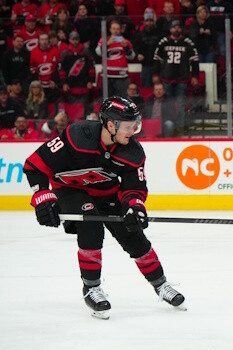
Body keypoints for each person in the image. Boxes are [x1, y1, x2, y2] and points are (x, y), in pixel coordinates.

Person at [22, 96, 186, 320]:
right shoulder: (76, 137)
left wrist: (134, 207)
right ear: (111, 125)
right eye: (129, 127)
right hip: (70, 191)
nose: (134, 131)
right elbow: (34, 165)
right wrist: (42, 195)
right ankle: (91, 288)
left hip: (107, 194)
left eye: (135, 125)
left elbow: (134, 187)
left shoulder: (133, 152)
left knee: (133, 235)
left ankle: (161, 285)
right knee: (92, 226)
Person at [153, 19, 200, 134]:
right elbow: (157, 60)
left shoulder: (188, 42)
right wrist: (155, 74)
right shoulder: (164, 42)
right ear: (170, 29)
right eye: (174, 27)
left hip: (182, 79)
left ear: (181, 29)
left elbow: (195, 61)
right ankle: (166, 129)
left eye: (178, 27)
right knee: (166, 105)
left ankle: (180, 129)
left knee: (180, 105)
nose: (176, 29)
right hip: (167, 78)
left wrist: (195, 76)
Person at [95, 20, 135, 98]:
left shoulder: (125, 41)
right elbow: (98, 53)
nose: (115, 31)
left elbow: (132, 57)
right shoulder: (104, 40)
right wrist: (106, 45)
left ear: (120, 30)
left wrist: (126, 47)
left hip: (121, 76)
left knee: (121, 100)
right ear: (110, 30)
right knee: (107, 100)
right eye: (113, 29)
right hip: (107, 76)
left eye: (117, 29)